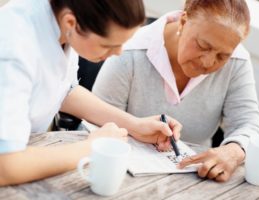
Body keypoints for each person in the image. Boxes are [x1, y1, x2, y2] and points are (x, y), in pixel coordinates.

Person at [0, 0, 182, 186]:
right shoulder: (13, 47)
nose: (118, 53)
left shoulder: (66, 21)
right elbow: (5, 166)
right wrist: (91, 147)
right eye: (108, 45)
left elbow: (64, 91)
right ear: (70, 23)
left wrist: (134, 125)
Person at [92, 0, 259, 182]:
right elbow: (95, 123)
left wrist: (234, 150)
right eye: (203, 46)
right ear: (183, 22)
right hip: (123, 175)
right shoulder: (129, 52)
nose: (208, 62)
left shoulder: (237, 62)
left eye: (222, 56)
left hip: (198, 180)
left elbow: (249, 123)